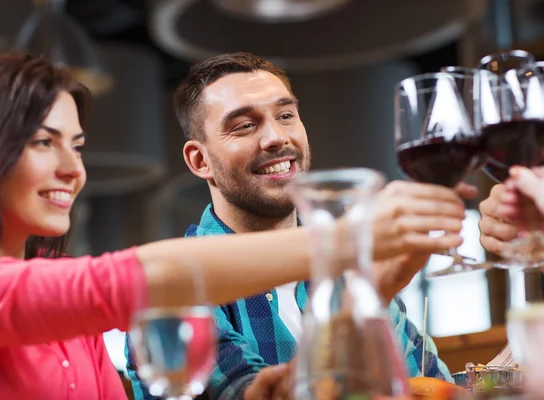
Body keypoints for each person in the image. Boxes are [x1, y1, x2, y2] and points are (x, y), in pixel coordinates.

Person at [0, 52, 454, 400]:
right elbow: (130, 282)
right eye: (42, 142)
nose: (72, 170)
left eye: (76, 146)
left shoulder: (75, 333)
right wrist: (348, 240)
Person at [126, 52, 474, 400]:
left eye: (286, 115)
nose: (276, 137)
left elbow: (430, 384)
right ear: (200, 160)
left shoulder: (349, 267)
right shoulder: (170, 289)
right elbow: (253, 395)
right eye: (245, 125)